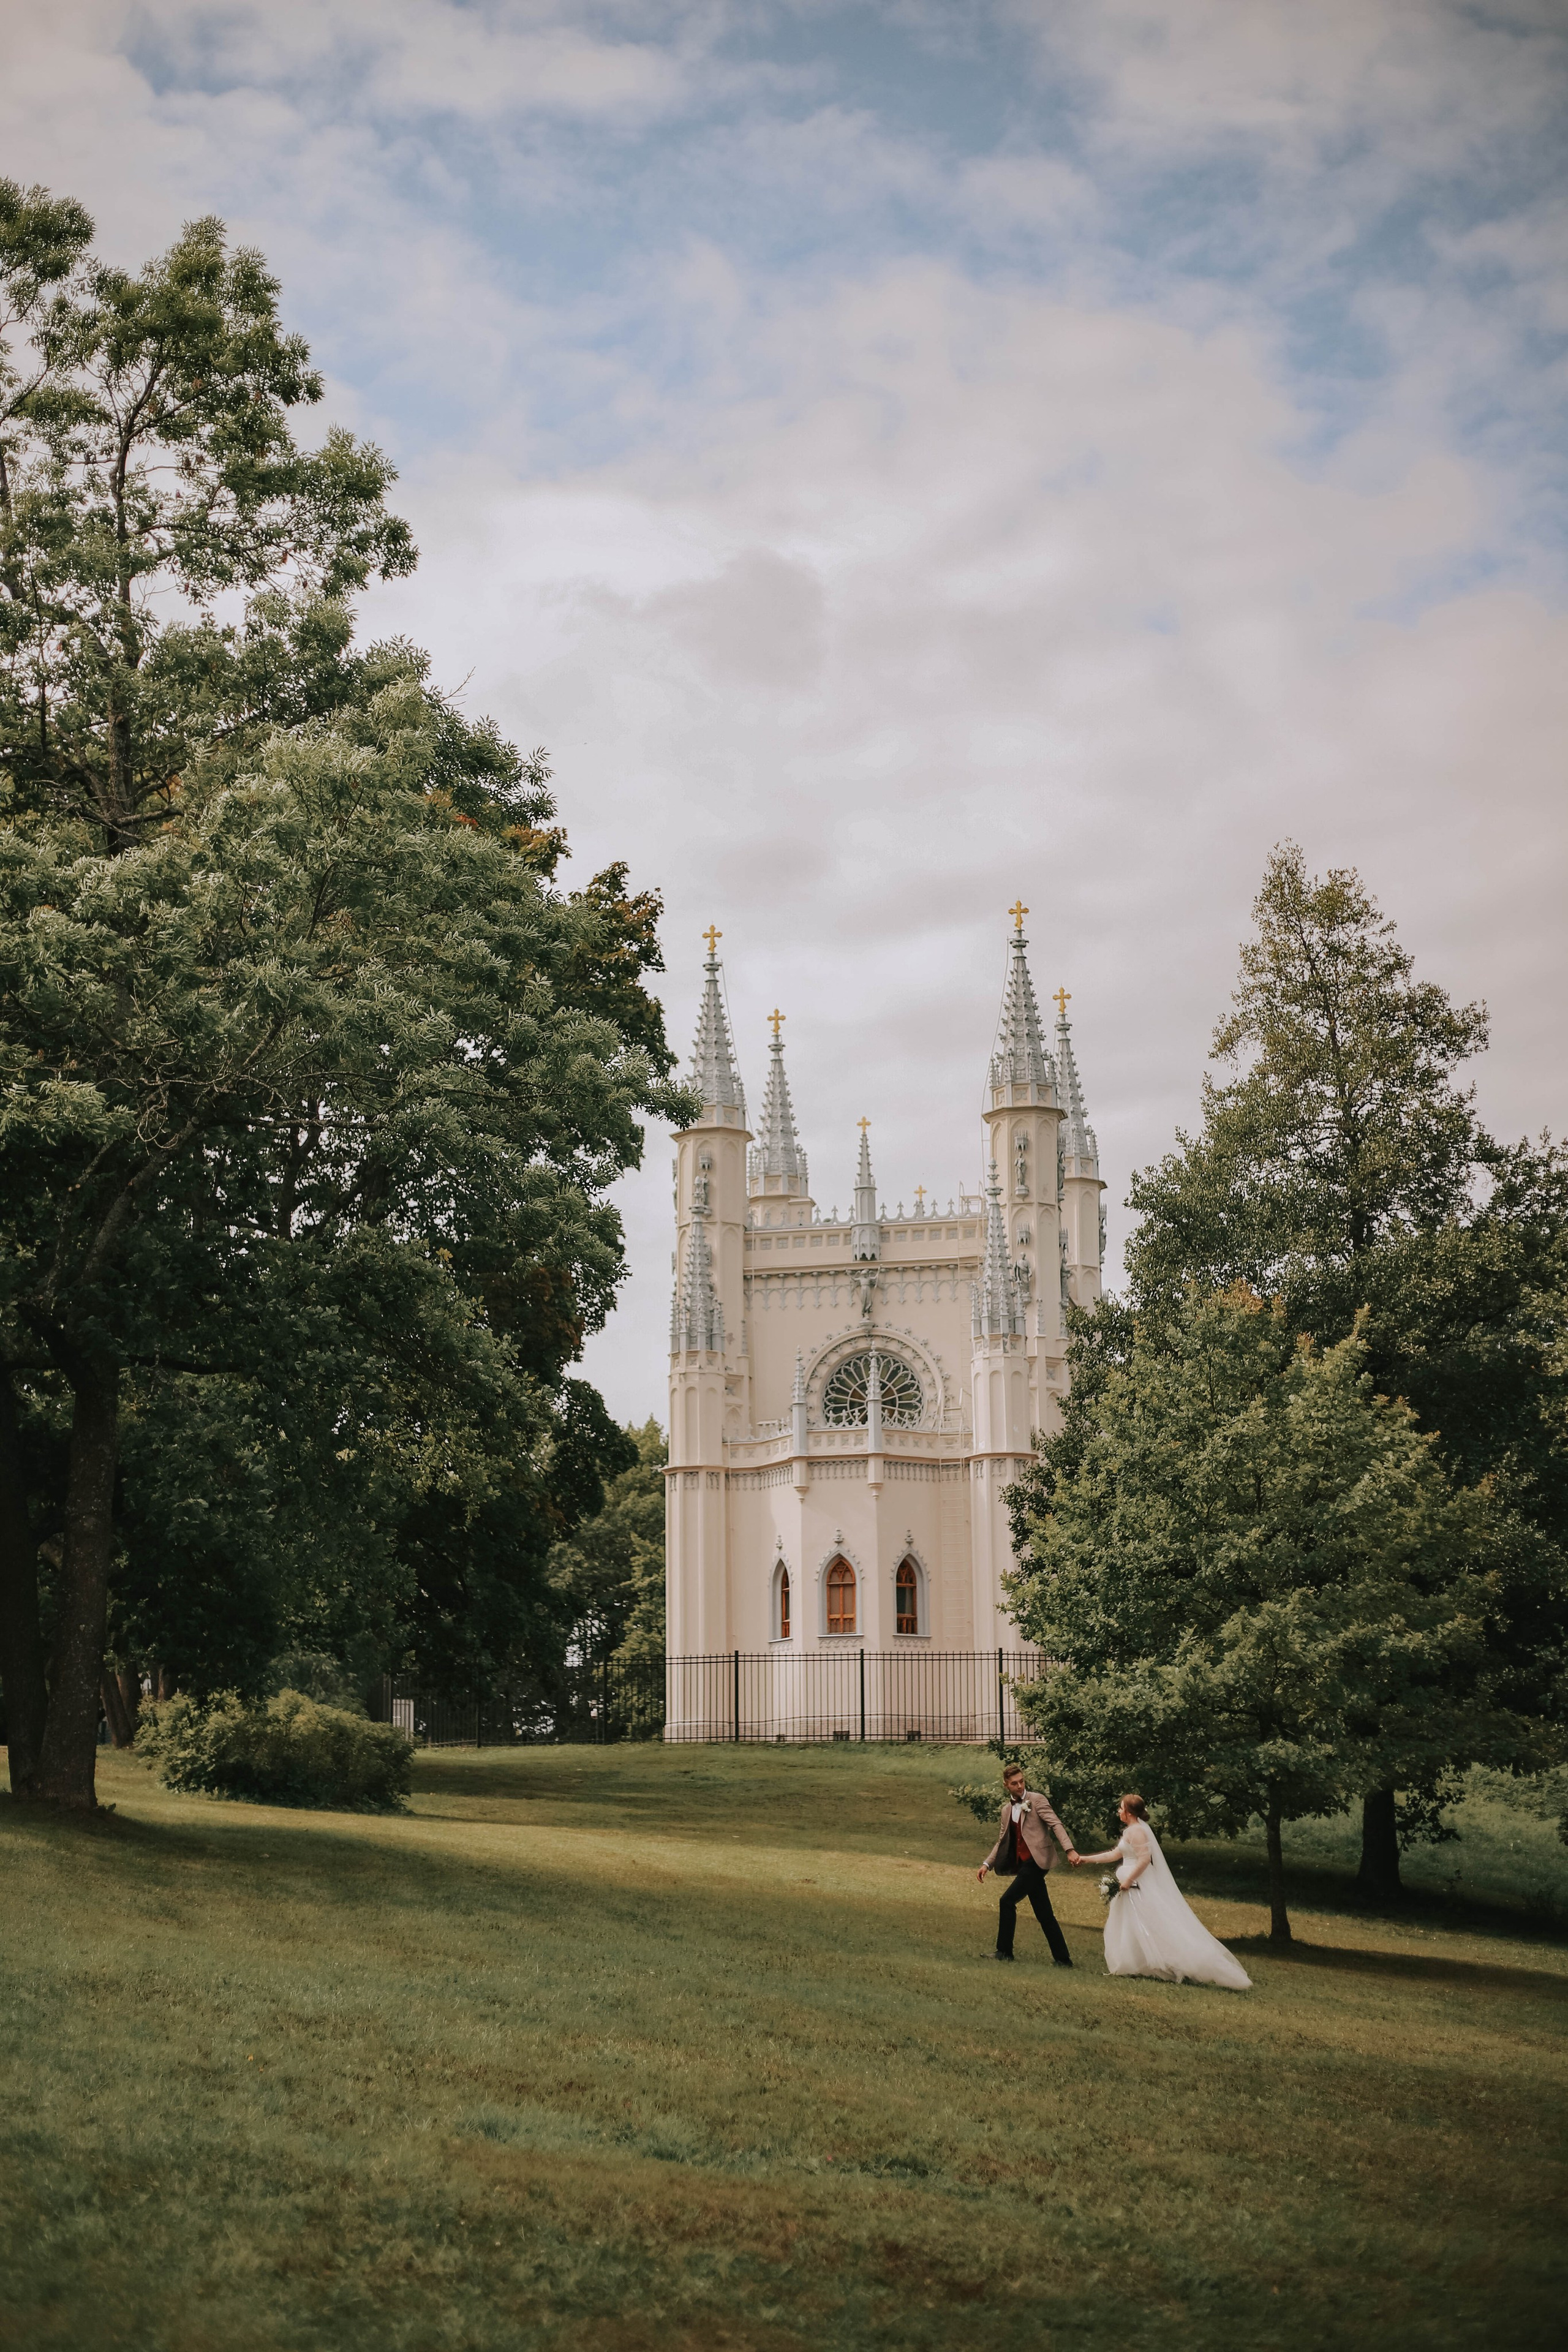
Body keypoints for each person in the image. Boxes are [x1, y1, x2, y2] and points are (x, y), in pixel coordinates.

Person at [1073, 1795, 1251, 1989]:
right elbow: (1116, 1854)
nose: (1118, 1811)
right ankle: (1133, 1963)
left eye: (1121, 1808)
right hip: (1129, 1887)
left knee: (1155, 1923)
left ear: (1129, 1812)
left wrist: (1129, 1881)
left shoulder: (1138, 1832)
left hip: (1137, 1886)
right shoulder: (1129, 1832)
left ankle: (1189, 1962)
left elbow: (1144, 1859)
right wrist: (1086, 1859)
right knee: (1130, 1925)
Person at [976, 1762, 1080, 1965]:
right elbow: (1002, 1840)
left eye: (1022, 1781)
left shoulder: (1037, 1800)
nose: (1020, 1786)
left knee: (1007, 1901)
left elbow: (1055, 1824)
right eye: (1015, 1783)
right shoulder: (1007, 1810)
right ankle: (1063, 1959)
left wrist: (1070, 1849)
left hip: (1037, 1862)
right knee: (1044, 1913)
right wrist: (987, 1864)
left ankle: (1005, 1952)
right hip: (1023, 1865)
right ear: (1006, 1785)